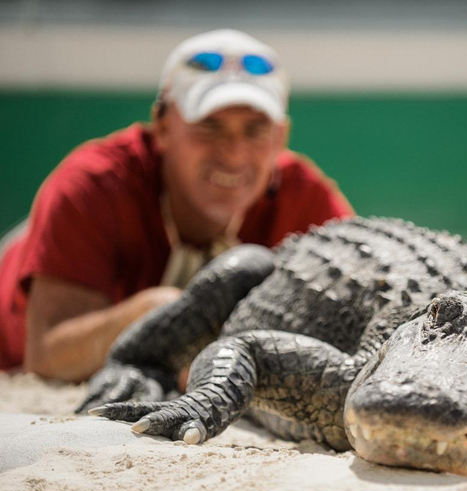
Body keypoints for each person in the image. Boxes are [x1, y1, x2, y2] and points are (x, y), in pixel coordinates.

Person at [0, 29, 354, 381]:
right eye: (209, 125)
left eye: (255, 129)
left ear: (281, 137)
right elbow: (45, 353)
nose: (233, 152)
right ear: (163, 126)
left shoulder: (307, 200)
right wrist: (164, 317)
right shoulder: (93, 183)